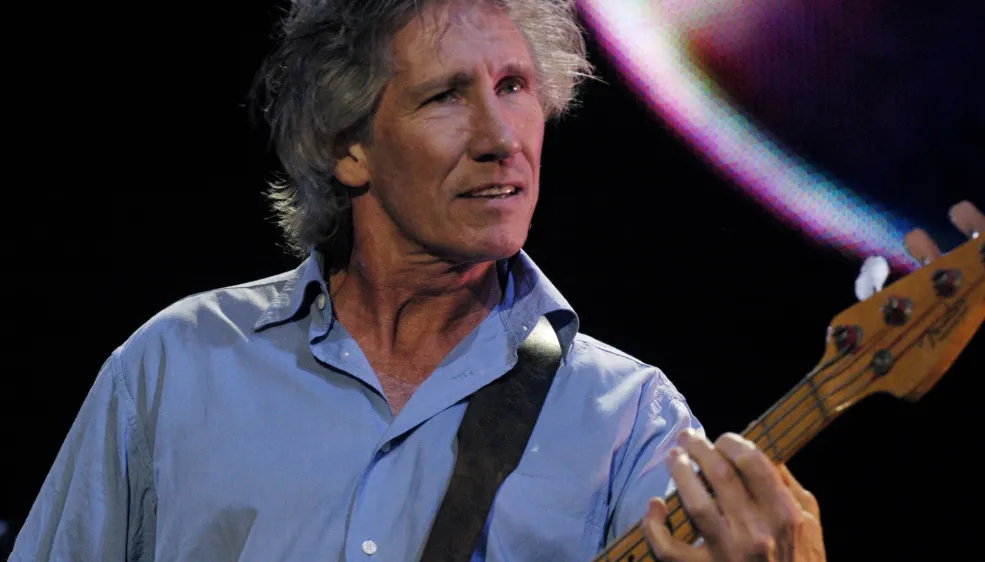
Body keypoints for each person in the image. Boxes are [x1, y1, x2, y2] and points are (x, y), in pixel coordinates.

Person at [11, 1, 831, 560]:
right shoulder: (174, 367)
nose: (501, 139)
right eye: (446, 96)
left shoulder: (629, 421)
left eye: (514, 87)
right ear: (348, 148)